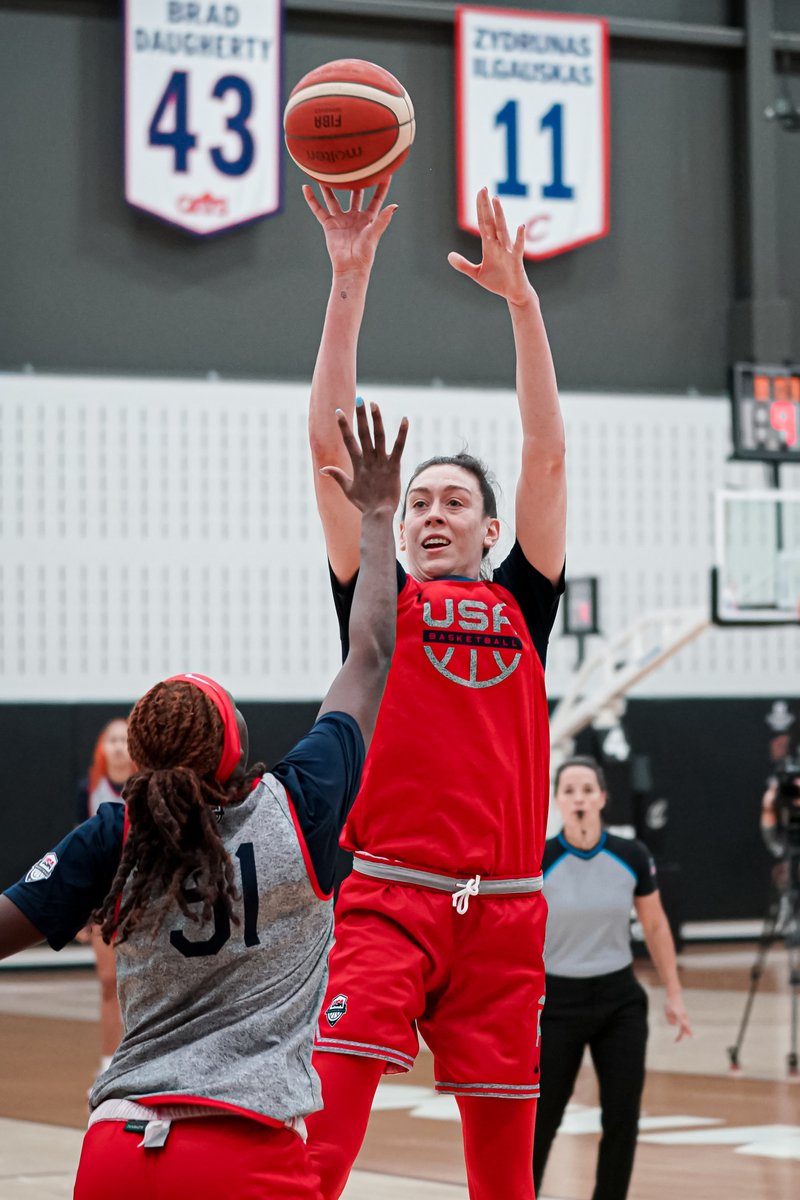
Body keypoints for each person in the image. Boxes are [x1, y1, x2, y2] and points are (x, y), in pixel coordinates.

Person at [0, 402, 407, 1200]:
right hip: (245, 1153)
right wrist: (378, 514)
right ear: (236, 748)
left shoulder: (113, 839)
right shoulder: (302, 805)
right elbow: (370, 651)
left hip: (117, 1151)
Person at [302, 181, 566, 1200]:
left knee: (506, 1183)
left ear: (489, 530)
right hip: (385, 904)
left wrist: (522, 305)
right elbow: (330, 451)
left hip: (505, 919)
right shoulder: (376, 606)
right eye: (416, 502)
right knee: (318, 1155)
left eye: (454, 501)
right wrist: (349, 277)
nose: (429, 514)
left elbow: (543, 452)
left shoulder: (520, 602)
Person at [534, 756, 692, 1200]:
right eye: (569, 790)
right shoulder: (539, 858)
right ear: (557, 800)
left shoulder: (632, 856)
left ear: (603, 797)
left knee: (623, 1118)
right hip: (558, 1004)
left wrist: (674, 995)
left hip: (619, 1000)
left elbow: (656, 926)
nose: (579, 798)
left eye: (587, 789)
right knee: (543, 1117)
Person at [74, 718, 135, 1084]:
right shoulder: (88, 789)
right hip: (103, 899)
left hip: (141, 896)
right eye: (111, 739)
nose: (117, 745)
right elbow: (78, 850)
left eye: (125, 739)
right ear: (101, 746)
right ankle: (108, 1063)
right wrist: (83, 910)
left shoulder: (148, 786)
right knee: (109, 981)